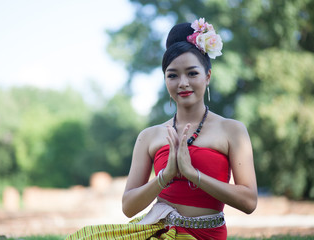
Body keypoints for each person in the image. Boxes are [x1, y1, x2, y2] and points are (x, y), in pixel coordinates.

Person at [66, 17, 257, 240]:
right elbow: (128, 207)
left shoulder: (232, 130)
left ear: (208, 76)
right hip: (157, 232)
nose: (182, 83)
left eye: (192, 73)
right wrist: (164, 177)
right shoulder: (149, 136)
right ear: (165, 80)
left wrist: (193, 174)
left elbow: (249, 201)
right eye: (173, 75)